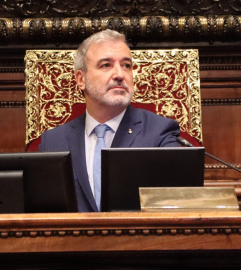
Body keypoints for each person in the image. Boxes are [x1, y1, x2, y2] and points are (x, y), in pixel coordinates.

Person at [39, 29, 181, 212]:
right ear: (81, 79)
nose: (120, 74)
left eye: (126, 65)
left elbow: (177, 205)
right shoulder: (53, 142)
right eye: (106, 65)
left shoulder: (160, 133)